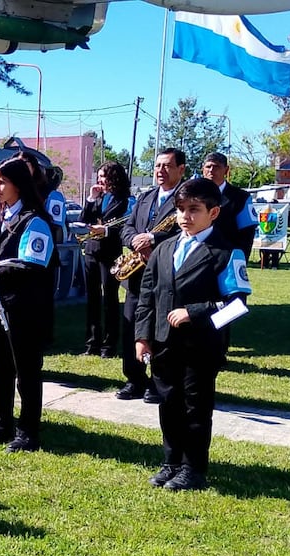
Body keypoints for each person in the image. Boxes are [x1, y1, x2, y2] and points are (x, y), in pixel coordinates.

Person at [136, 178, 252, 491]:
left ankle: (193, 468)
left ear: (213, 213)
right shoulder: (163, 249)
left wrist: (196, 312)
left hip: (201, 346)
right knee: (168, 404)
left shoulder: (226, 253)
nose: (185, 216)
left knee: (194, 409)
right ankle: (172, 461)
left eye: (194, 209)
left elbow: (237, 305)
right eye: (180, 209)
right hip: (164, 343)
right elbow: (147, 296)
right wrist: (142, 336)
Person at [0, 157, 55, 453]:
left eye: (2, 182)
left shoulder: (35, 221)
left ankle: (27, 432)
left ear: (18, 185)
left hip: (25, 308)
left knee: (27, 371)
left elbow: (33, 264)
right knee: (0, 369)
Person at [117, 147, 185, 404]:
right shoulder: (145, 197)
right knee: (131, 326)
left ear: (181, 170)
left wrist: (153, 239)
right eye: (157, 165)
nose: (160, 170)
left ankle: (157, 383)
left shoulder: (185, 197)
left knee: (159, 330)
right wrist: (135, 240)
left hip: (165, 275)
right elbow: (127, 226)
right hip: (136, 275)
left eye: (167, 166)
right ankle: (134, 379)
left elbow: (184, 231)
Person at [80, 161, 131, 358]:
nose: (100, 180)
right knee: (92, 299)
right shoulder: (98, 197)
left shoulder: (124, 199)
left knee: (110, 299)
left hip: (110, 253)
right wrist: (91, 198)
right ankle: (92, 343)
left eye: (104, 176)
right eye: (99, 176)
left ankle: (109, 345)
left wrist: (107, 230)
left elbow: (125, 226)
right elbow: (84, 219)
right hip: (91, 251)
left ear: (114, 177)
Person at [201, 152, 258, 256]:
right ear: (202, 169)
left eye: (216, 167)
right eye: (208, 167)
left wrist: (239, 259)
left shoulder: (241, 197)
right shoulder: (192, 195)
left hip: (225, 257)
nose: (211, 170)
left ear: (226, 170)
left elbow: (247, 233)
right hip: (195, 256)